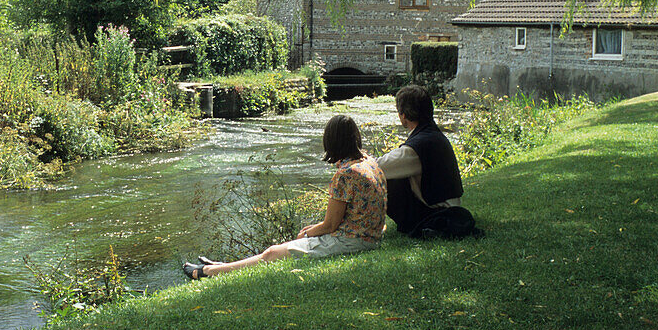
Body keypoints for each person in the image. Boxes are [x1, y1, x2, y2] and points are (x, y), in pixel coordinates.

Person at [183, 114, 386, 280]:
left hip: (354, 241)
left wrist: (306, 234)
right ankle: (223, 266)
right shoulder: (369, 162)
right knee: (285, 246)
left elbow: (330, 226)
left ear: (331, 141)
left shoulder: (345, 174)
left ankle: (207, 272)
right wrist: (313, 229)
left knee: (272, 253)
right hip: (369, 235)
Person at [378, 84, 471, 237]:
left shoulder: (416, 148)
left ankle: (366, 225)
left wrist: (360, 157)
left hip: (436, 213)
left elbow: (376, 167)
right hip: (450, 209)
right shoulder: (434, 135)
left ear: (403, 115)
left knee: (380, 179)